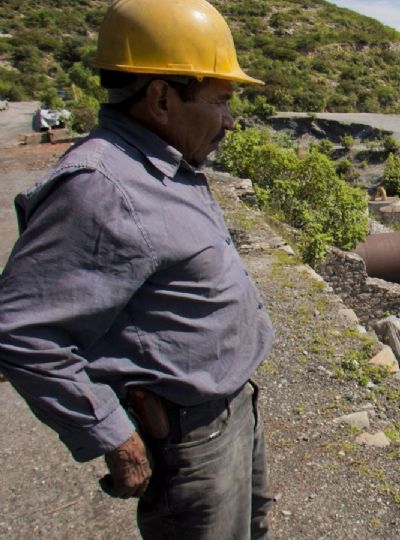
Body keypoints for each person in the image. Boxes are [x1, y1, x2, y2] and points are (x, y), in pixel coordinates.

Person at [0, 0, 274, 537]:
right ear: (160, 96)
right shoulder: (100, 188)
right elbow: (21, 331)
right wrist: (112, 435)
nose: (230, 120)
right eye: (220, 101)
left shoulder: (168, 161)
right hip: (190, 437)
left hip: (232, 409)